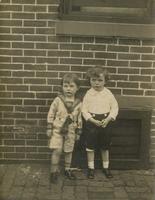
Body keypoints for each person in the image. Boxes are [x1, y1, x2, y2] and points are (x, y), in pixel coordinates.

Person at [82, 66, 119, 179]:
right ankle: (91, 168)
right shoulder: (88, 94)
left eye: (100, 80)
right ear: (90, 80)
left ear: (105, 81)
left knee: (105, 146)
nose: (97, 83)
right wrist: (92, 120)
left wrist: (108, 119)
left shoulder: (108, 94)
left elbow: (115, 108)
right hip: (91, 123)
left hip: (105, 122)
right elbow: (84, 110)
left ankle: (106, 167)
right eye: (93, 80)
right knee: (90, 146)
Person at [47, 73, 82, 183]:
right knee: (57, 150)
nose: (68, 89)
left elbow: (79, 119)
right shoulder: (58, 100)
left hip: (71, 131)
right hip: (57, 130)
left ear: (77, 88)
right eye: (65, 86)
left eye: (71, 86)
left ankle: (67, 169)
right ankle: (53, 172)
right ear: (62, 87)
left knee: (68, 151)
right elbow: (51, 113)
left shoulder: (79, 103)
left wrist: (78, 132)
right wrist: (49, 127)